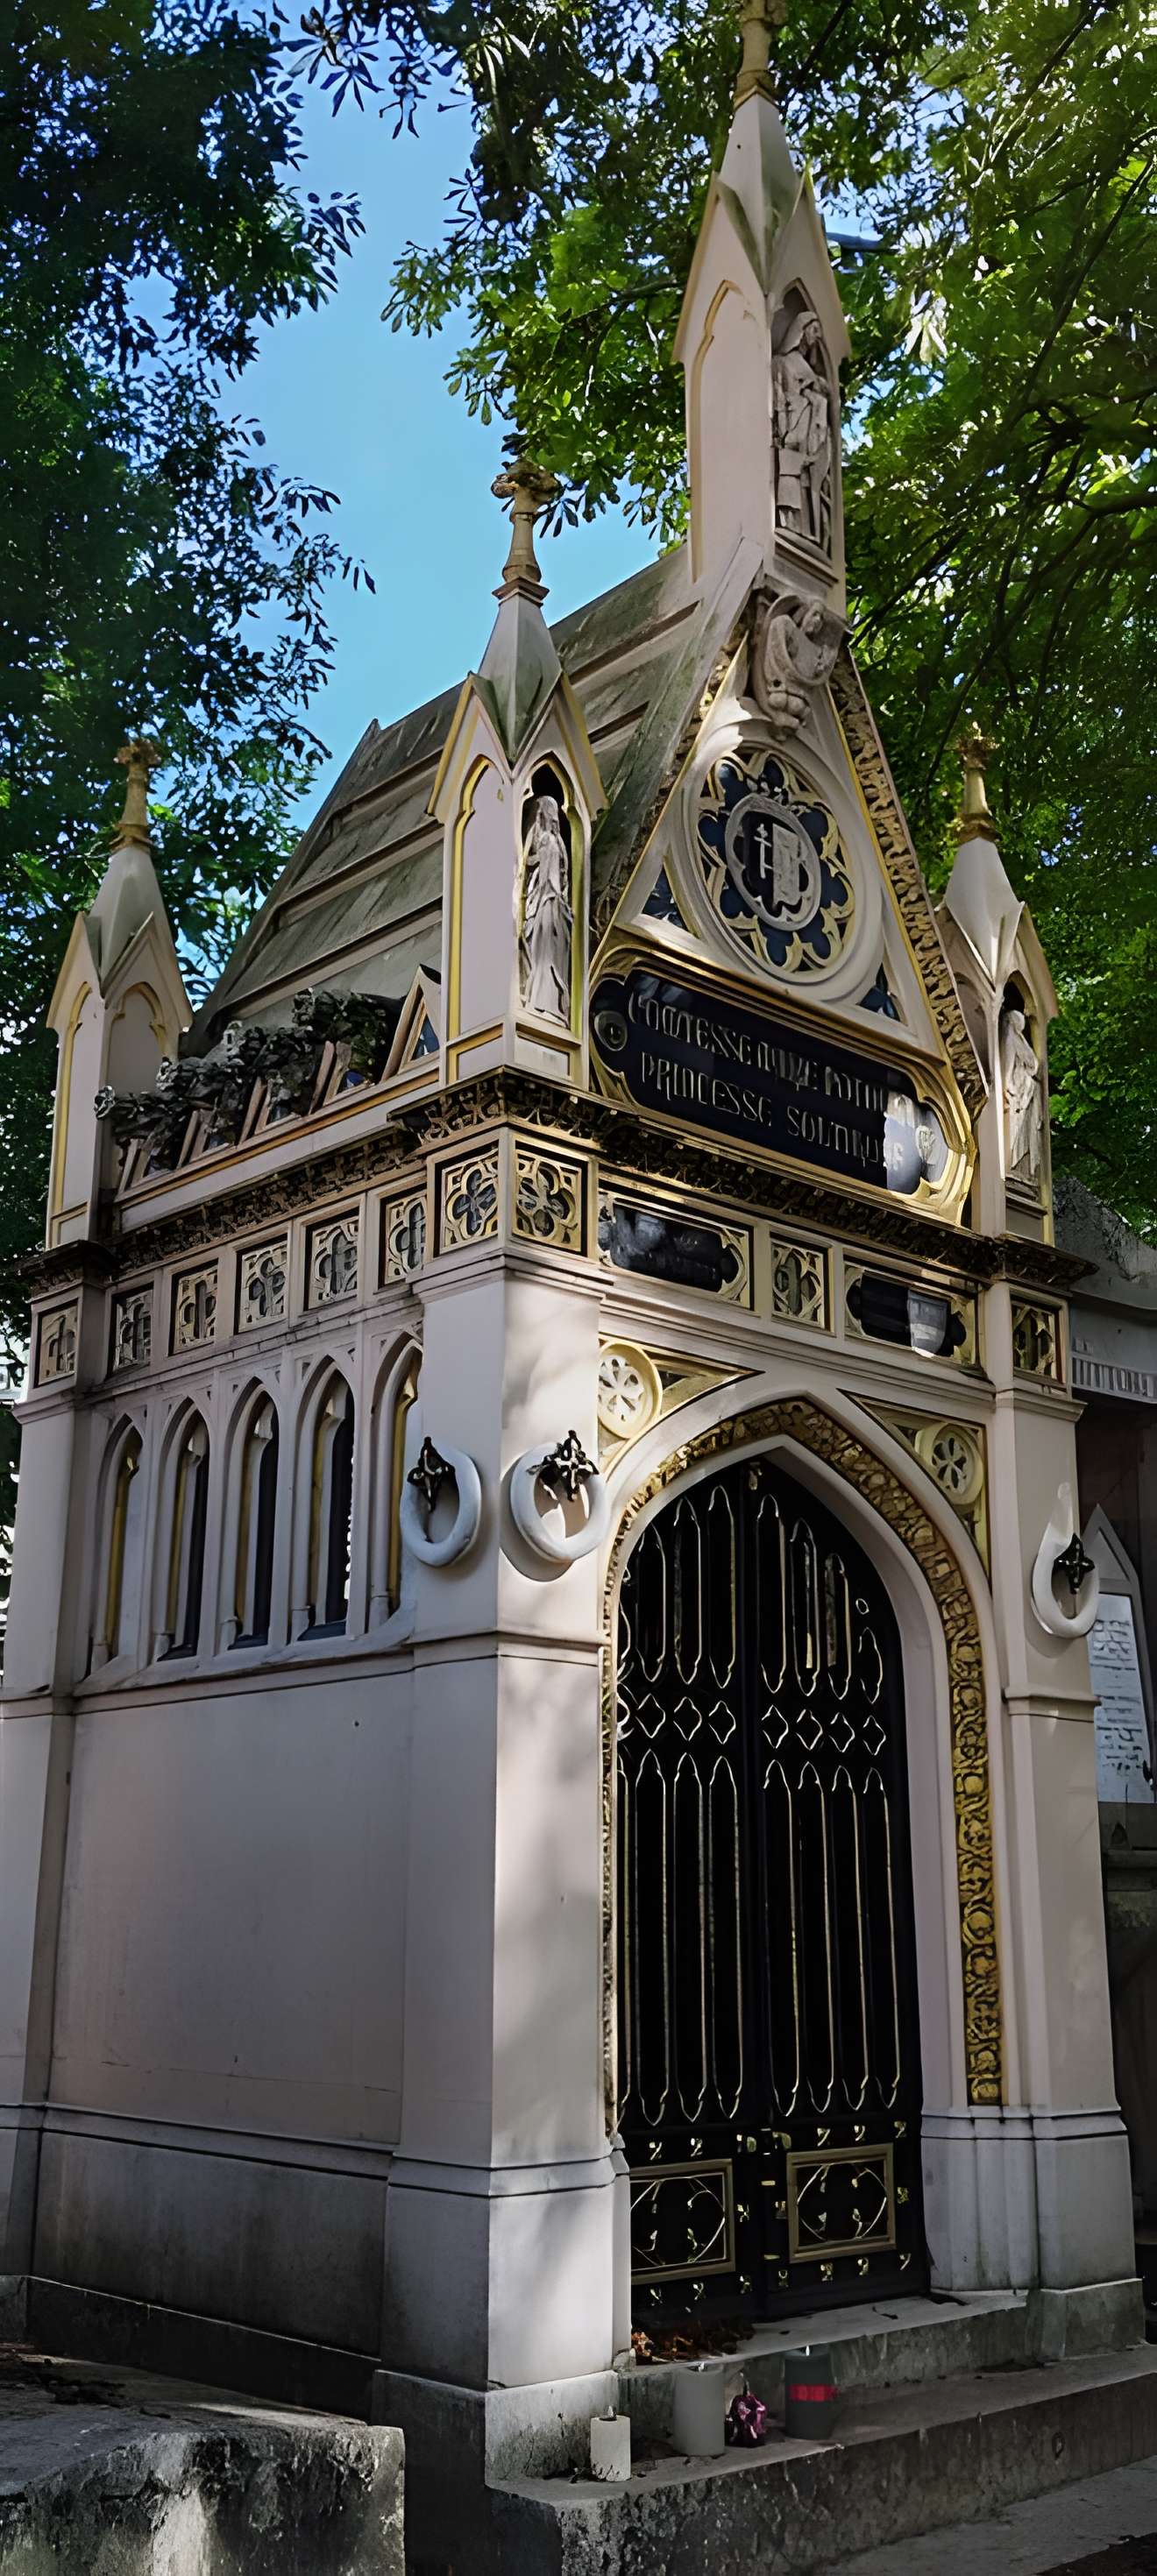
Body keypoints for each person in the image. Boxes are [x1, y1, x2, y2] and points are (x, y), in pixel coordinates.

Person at [521, 793, 572, 1022]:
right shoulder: (558, 842)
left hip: (547, 903)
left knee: (544, 953)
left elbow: (546, 877)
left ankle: (543, 1000)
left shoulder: (549, 842)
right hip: (553, 904)